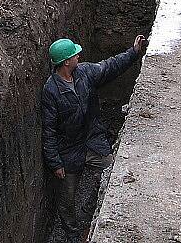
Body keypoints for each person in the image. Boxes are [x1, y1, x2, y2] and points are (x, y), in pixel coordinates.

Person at [41, 35, 149, 242]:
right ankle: (72, 235)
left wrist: (134, 52)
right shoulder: (51, 91)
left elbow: (110, 66)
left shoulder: (84, 73)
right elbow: (49, 130)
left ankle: (96, 207)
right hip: (69, 152)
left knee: (114, 172)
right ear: (66, 62)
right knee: (67, 200)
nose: (78, 55)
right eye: (74, 54)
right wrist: (55, 163)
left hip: (92, 141)